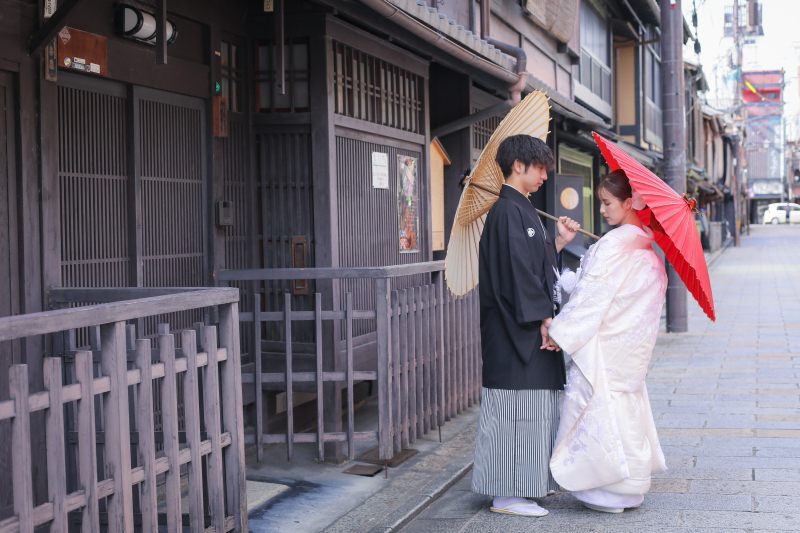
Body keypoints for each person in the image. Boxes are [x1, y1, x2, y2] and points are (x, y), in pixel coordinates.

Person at [546, 169, 668, 513]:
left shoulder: (614, 244)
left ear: (630, 202)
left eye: (607, 202)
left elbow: (592, 296)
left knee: (599, 409)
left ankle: (606, 489)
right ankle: (630, 487)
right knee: (624, 408)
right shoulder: (645, 248)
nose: (601, 209)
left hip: (605, 347)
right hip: (630, 349)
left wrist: (561, 332)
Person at [471, 134, 580, 517]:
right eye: (540, 168)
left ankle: (526, 485)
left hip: (525, 327)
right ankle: (507, 494)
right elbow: (516, 275)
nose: (545, 176)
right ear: (518, 165)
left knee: (533, 410)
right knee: (518, 409)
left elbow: (534, 263)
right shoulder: (506, 212)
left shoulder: (521, 210)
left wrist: (559, 243)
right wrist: (544, 319)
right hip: (515, 332)